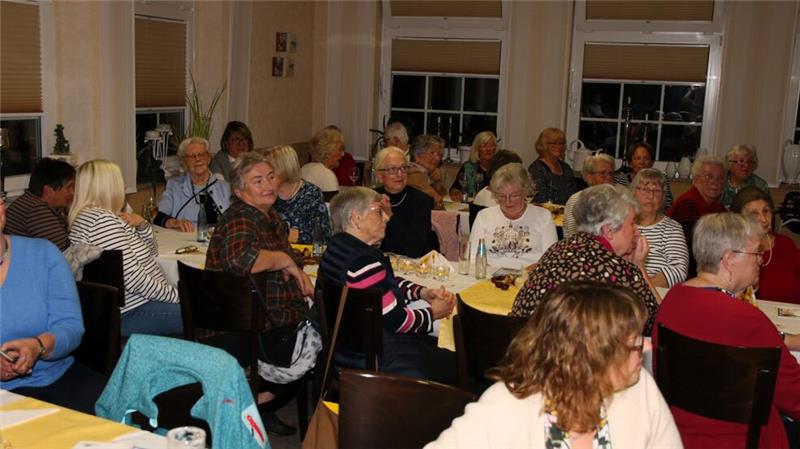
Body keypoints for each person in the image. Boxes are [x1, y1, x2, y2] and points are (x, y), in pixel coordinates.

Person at [426, 281, 682, 449]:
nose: (648, 348)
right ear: (592, 356)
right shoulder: (510, 403)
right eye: (635, 343)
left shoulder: (640, 388)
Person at [653, 213, 800, 449]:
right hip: (743, 441)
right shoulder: (748, 320)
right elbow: (796, 398)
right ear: (729, 259)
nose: (761, 261)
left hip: (679, 436)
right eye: (756, 254)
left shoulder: (672, 301)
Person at [205, 152, 315, 437]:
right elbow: (240, 259)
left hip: (264, 320)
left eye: (270, 177)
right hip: (248, 330)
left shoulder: (268, 216)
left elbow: (289, 259)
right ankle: (257, 403)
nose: (268, 184)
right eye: (257, 180)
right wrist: (283, 259)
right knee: (327, 335)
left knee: (325, 321)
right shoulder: (241, 218)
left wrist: (293, 265)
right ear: (240, 192)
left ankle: (258, 403)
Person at [319, 187, 456, 380]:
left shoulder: (338, 248)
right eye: (378, 211)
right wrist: (434, 313)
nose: (386, 218)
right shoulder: (362, 262)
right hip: (380, 358)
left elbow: (381, 284)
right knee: (459, 364)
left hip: (350, 350)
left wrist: (421, 292)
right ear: (356, 218)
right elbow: (397, 321)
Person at [0, 192, 106, 415]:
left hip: (57, 378)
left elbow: (70, 326)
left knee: (118, 420)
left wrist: (37, 346)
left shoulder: (43, 254)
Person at [511, 184, 661, 335]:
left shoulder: (558, 249)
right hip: (571, 355)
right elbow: (656, 325)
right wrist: (639, 267)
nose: (636, 230)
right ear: (608, 230)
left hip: (526, 347)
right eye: (632, 223)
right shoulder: (618, 269)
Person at [68, 160, 182, 337]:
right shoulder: (103, 222)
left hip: (130, 307)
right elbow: (133, 279)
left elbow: (152, 254)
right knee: (203, 312)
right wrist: (177, 296)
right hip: (132, 311)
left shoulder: (87, 218)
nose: (124, 188)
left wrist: (143, 225)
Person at [469, 163, 557, 270]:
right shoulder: (484, 216)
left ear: (525, 192)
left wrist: (522, 274)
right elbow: (472, 257)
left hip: (528, 279)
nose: (508, 201)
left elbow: (550, 260)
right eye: (502, 196)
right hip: (490, 278)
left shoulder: (543, 216)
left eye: (514, 195)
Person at [732, 186, 800, 304]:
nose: (763, 219)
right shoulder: (735, 250)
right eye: (754, 214)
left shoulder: (785, 244)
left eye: (766, 211)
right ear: (739, 219)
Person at [372, 146, 438, 258]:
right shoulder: (370, 198)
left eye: (403, 168)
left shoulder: (421, 201)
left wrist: (390, 216)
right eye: (392, 169)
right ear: (379, 175)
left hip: (414, 266)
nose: (400, 174)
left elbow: (415, 249)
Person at [154, 137, 230, 232]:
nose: (197, 159)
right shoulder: (174, 186)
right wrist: (175, 223)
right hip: (184, 240)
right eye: (191, 156)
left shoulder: (226, 189)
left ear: (208, 158)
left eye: (201, 154)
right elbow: (158, 215)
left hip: (216, 239)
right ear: (184, 162)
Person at [262, 145, 331, 245]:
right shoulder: (267, 193)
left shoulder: (310, 194)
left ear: (284, 169)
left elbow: (317, 236)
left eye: (270, 173)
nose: (265, 178)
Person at [632, 169, 689, 288]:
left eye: (657, 191)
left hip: (657, 292)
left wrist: (642, 287)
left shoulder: (672, 228)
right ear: (633, 192)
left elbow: (679, 270)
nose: (650, 196)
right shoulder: (623, 224)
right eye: (645, 189)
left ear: (663, 197)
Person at [5, 157, 75, 250]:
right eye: (68, 187)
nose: (72, 192)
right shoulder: (36, 210)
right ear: (48, 190)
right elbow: (62, 251)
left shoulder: (27, 201)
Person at [563, 153, 615, 238]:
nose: (608, 177)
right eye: (602, 173)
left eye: (611, 173)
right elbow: (573, 234)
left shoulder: (617, 200)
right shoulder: (577, 200)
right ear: (589, 177)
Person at [667, 155, 726, 225]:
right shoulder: (688, 204)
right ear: (696, 179)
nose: (715, 182)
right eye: (709, 177)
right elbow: (690, 235)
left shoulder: (717, 205)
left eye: (720, 178)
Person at [614, 142, 674, 209]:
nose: (641, 162)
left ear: (652, 162)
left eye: (646, 158)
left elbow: (668, 206)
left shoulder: (661, 179)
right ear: (630, 162)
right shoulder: (619, 180)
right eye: (637, 158)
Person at [528, 128, 577, 205]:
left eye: (561, 143)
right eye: (554, 143)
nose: (558, 146)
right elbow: (541, 199)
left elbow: (574, 196)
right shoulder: (536, 168)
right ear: (543, 145)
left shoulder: (566, 167)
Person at [450, 131, 497, 201]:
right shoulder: (468, 167)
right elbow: (455, 188)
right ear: (477, 149)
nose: (488, 149)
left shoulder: (499, 168)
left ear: (495, 148)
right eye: (484, 146)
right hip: (471, 204)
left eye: (491, 145)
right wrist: (456, 193)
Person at [721, 143, 769, 209]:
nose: (746, 165)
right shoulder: (720, 180)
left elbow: (767, 211)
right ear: (730, 164)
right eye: (741, 161)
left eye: (749, 162)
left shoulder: (760, 186)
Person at [407, 134, 447, 207]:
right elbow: (438, 201)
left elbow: (443, 196)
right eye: (432, 153)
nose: (437, 158)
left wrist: (437, 181)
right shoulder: (414, 174)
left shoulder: (426, 173)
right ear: (417, 156)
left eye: (439, 154)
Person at [300, 127, 344, 193]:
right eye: (339, 149)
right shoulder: (327, 175)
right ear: (327, 152)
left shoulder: (304, 168)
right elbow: (332, 203)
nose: (343, 154)